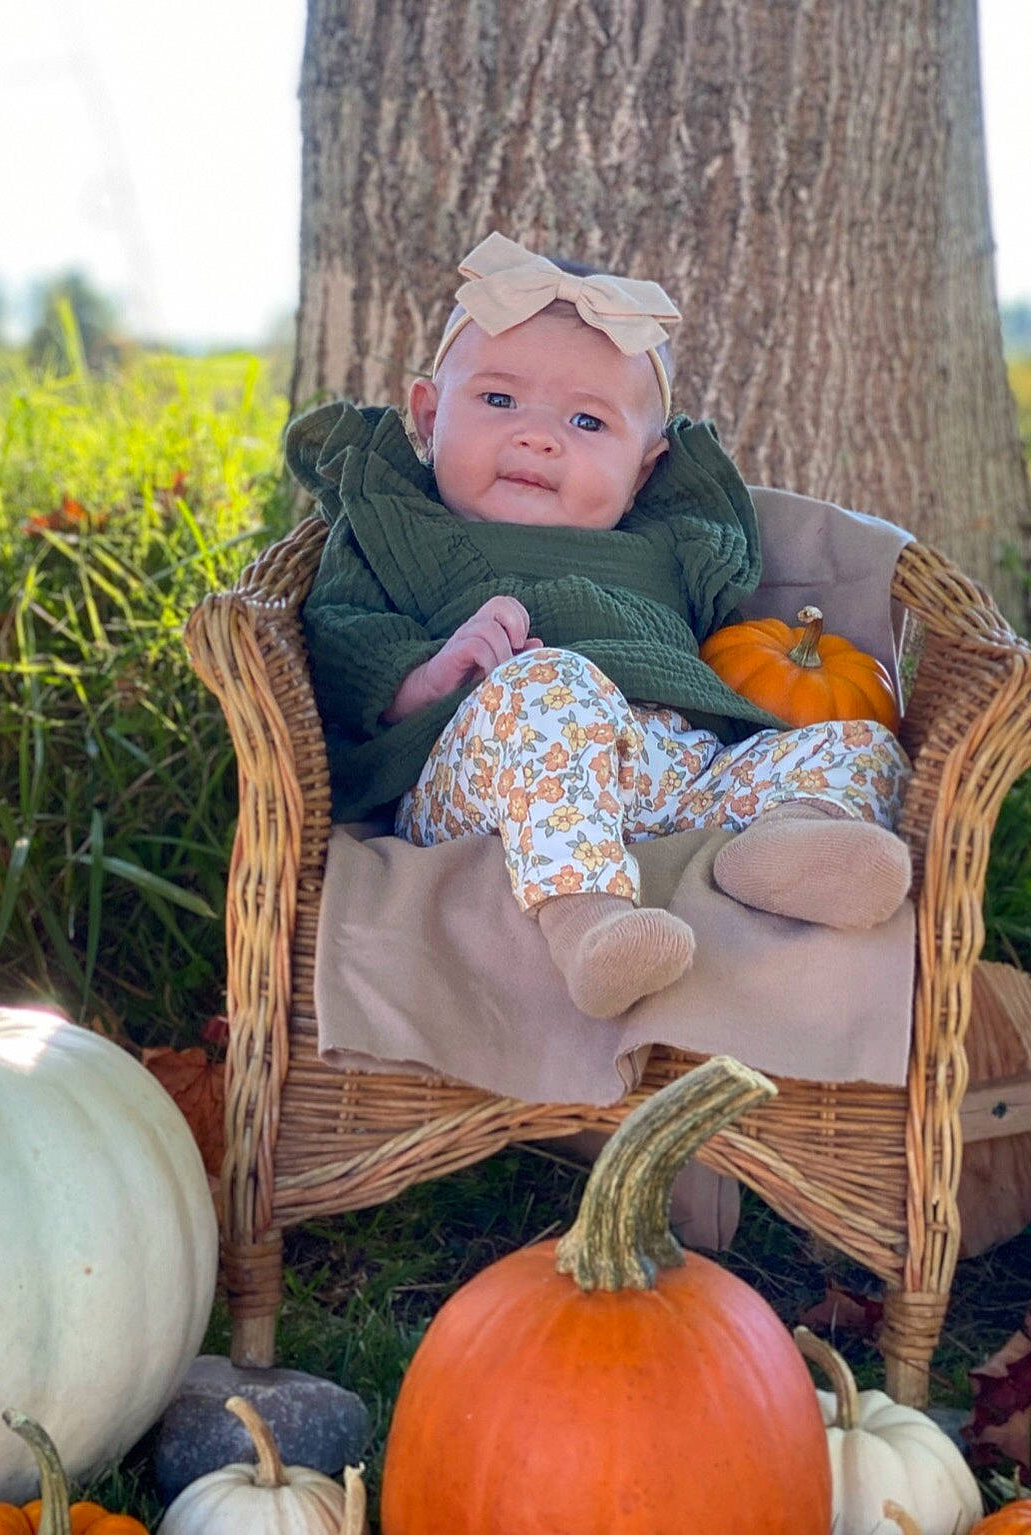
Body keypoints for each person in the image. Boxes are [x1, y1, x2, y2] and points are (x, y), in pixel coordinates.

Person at [292, 232, 912, 1021]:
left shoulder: (663, 542)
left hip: (665, 774)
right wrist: (424, 678)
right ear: (428, 414)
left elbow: (726, 622)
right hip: (489, 770)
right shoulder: (395, 520)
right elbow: (336, 639)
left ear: (643, 471)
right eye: (498, 400)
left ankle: (784, 846)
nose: (539, 435)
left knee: (860, 740)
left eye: (588, 423)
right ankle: (589, 923)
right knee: (551, 680)